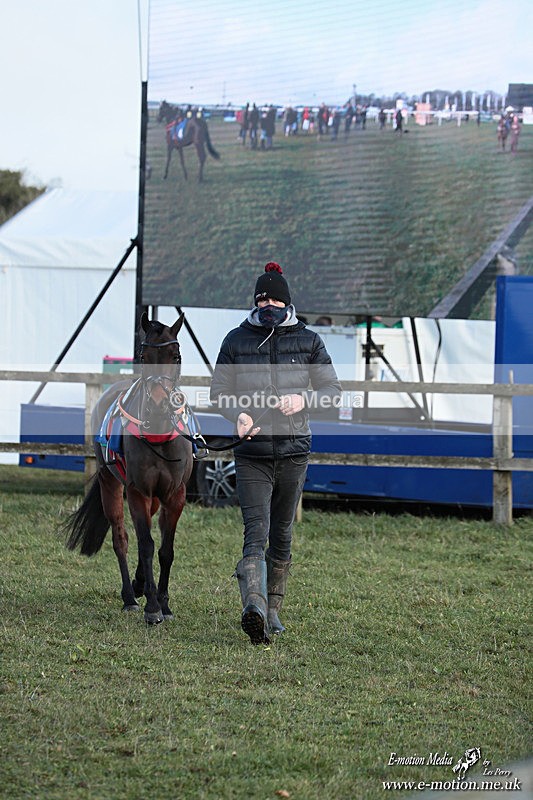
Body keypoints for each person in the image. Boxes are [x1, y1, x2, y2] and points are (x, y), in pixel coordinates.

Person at [210, 262, 341, 645]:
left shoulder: (310, 341)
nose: (267, 303)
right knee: (256, 534)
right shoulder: (235, 341)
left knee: (282, 534)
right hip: (252, 454)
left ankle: (274, 609)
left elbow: (333, 393)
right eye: (261, 298)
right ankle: (254, 606)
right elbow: (219, 392)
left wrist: (303, 398)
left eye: (273, 298)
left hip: (294, 452)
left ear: (286, 301)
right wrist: (238, 413)